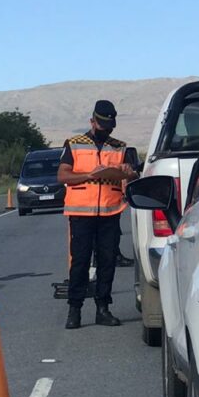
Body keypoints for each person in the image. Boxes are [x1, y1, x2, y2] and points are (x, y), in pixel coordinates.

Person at [57, 100, 139, 329]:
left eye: (110, 126)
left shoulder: (119, 147)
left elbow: (131, 176)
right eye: (103, 125)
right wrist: (89, 176)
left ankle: (103, 308)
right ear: (92, 121)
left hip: (110, 212)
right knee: (80, 263)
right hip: (81, 213)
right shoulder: (74, 144)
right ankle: (75, 310)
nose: (106, 130)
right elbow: (63, 176)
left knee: (107, 262)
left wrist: (127, 173)